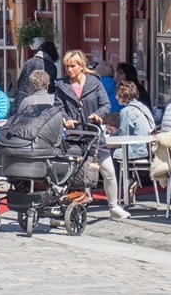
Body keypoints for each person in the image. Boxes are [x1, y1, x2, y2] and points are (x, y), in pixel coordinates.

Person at [53, 49, 128, 219]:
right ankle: (61, 209)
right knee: (68, 173)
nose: (69, 70)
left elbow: (106, 104)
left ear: (82, 66)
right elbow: (58, 107)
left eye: (73, 66)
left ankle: (114, 206)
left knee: (108, 171)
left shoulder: (95, 83)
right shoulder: (62, 85)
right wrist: (66, 118)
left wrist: (98, 115)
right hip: (73, 136)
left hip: (93, 134)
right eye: (67, 66)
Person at [116, 80, 156, 161]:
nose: (116, 97)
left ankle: (117, 174)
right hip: (150, 149)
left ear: (122, 95)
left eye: (117, 94)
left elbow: (123, 138)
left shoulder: (126, 111)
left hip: (138, 150)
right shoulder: (143, 107)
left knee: (115, 153)